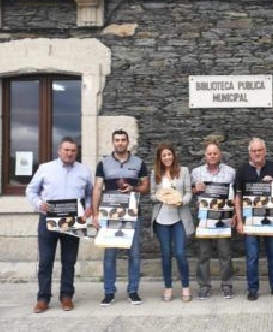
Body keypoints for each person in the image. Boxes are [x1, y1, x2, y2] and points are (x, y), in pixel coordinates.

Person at [26, 137, 93, 313]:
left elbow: (89, 194)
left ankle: (66, 297)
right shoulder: (46, 168)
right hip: (48, 219)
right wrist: (39, 203)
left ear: (76, 152)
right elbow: (30, 190)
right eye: (66, 150)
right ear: (59, 151)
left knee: (69, 261)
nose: (69, 153)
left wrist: (88, 208)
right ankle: (43, 298)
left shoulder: (84, 170)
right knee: (45, 261)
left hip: (73, 221)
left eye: (72, 151)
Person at [93, 130, 149, 306]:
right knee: (110, 255)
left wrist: (133, 189)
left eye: (123, 140)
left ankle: (133, 291)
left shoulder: (139, 162)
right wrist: (95, 214)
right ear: (112, 142)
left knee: (134, 255)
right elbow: (97, 189)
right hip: (109, 215)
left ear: (128, 142)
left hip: (132, 214)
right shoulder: (103, 163)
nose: (120, 143)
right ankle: (109, 292)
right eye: (117, 140)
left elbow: (145, 187)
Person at [234, 138, 273, 301]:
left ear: (265, 151)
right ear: (249, 153)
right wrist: (239, 221)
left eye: (260, 150)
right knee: (252, 256)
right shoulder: (242, 170)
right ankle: (252, 288)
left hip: (270, 218)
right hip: (250, 220)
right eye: (254, 151)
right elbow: (238, 196)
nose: (257, 153)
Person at [191, 141, 236, 300]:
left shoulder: (231, 172)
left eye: (215, 153)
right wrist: (195, 189)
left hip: (224, 219)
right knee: (204, 255)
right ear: (205, 155)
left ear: (220, 155)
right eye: (209, 153)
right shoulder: (196, 172)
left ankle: (227, 285)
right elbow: (190, 192)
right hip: (205, 220)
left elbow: (235, 195)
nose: (212, 156)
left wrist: (236, 215)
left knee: (225, 254)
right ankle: (204, 286)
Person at [150, 144, 194, 302]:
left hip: (179, 218)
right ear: (160, 159)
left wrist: (181, 200)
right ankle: (168, 287)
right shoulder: (155, 173)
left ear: (173, 155)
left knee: (181, 254)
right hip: (162, 219)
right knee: (166, 255)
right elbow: (152, 197)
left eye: (169, 154)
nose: (167, 157)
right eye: (164, 155)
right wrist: (161, 196)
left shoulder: (183, 172)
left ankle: (185, 287)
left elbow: (189, 192)